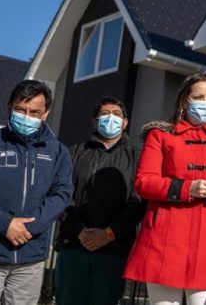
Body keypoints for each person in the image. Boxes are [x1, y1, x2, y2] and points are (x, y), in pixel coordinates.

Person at [123, 73, 206, 305]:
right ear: (184, 101)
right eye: (199, 96)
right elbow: (144, 182)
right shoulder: (160, 136)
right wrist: (188, 188)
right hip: (165, 241)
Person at [0, 80, 73, 305]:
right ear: (9, 107)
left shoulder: (58, 152)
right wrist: (5, 224)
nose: (26, 116)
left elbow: (61, 194)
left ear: (45, 114)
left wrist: (28, 227)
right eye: (20, 110)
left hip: (30, 260)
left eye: (34, 112)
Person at [54, 96, 144, 305]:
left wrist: (109, 233)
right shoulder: (74, 152)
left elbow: (138, 202)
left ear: (125, 122)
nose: (110, 118)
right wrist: (80, 230)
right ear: (94, 121)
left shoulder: (137, 156)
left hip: (114, 250)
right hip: (73, 246)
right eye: (105, 114)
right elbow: (61, 195)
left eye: (117, 114)